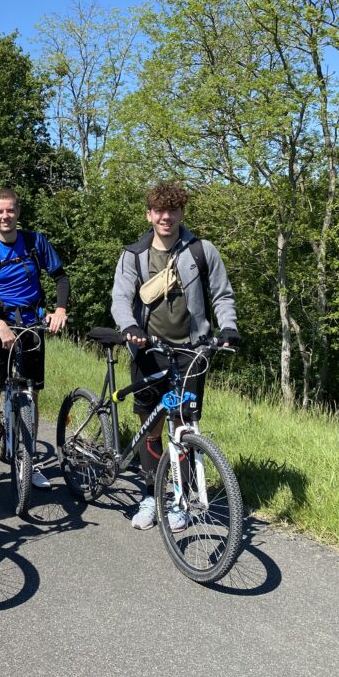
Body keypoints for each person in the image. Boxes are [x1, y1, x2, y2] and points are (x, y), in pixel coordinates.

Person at [110, 181, 239, 530]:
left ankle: (181, 500)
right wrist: (128, 326)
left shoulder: (201, 250)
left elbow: (222, 294)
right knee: (150, 425)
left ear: (181, 213)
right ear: (149, 214)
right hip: (148, 349)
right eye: (159, 211)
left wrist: (228, 327)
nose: (166, 217)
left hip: (191, 351)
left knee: (183, 425)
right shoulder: (134, 254)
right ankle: (151, 495)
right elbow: (120, 297)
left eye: (172, 210)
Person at [0, 187, 70, 492]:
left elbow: (61, 277)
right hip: (0, 327)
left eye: (10, 210)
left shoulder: (35, 242)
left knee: (31, 396)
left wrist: (60, 310)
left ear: (18, 212)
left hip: (32, 325)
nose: (5, 216)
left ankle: (29, 459)